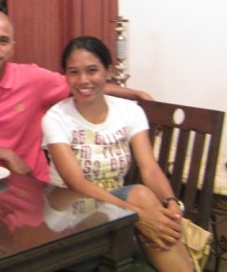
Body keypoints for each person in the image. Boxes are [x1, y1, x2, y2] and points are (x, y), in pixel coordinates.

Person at [0, 10, 151, 183]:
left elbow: (83, 84)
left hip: (30, 183)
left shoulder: (33, 78)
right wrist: (6, 154)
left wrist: (135, 93)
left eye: (3, 41)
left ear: (12, 48)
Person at [41, 36, 192, 272]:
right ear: (66, 76)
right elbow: (75, 183)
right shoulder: (56, 118)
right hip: (71, 222)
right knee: (140, 196)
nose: (83, 80)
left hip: (117, 215)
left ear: (108, 72)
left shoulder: (129, 112)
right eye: (74, 72)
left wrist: (171, 203)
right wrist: (137, 215)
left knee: (146, 202)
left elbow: (150, 168)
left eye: (92, 70)